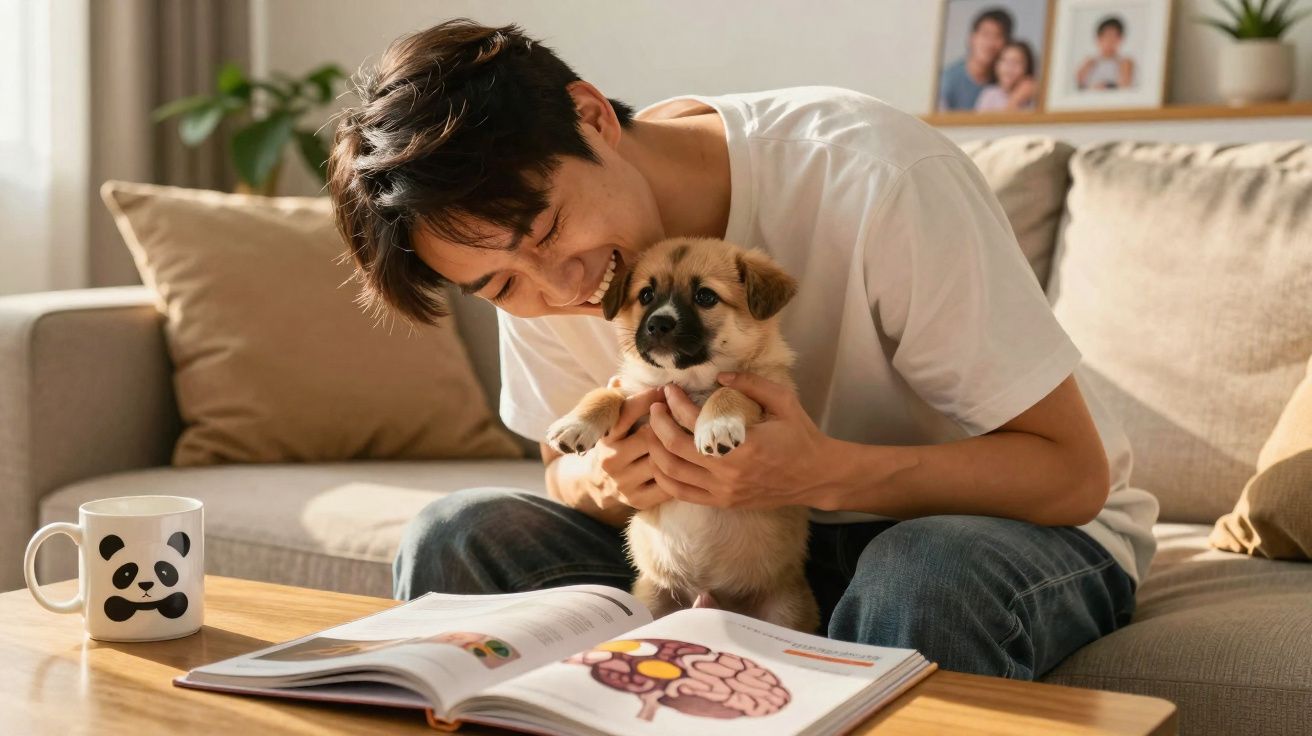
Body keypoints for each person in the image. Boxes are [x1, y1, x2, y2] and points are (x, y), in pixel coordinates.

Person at [327, 19, 1158, 680]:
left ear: (592, 118)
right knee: (454, 534)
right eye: (501, 286)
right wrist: (609, 479)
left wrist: (820, 470)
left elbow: (1071, 475)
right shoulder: (534, 267)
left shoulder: (876, 177)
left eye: (545, 230)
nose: (560, 288)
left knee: (915, 575)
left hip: (988, 532)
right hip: (729, 548)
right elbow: (560, 466)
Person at [938, 8, 1012, 111]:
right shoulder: (947, 80)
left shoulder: (1006, 79)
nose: (990, 43)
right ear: (971, 38)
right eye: (985, 34)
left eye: (998, 36)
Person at [976, 40, 1037, 111]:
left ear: (1027, 68)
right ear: (996, 65)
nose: (1009, 67)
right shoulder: (989, 95)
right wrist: (1016, 99)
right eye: (1004, 60)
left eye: (1016, 62)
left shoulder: (1032, 96)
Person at [1077, 16, 1135, 90]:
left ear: (1120, 39)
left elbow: (1125, 86)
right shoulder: (1089, 62)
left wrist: (1106, 86)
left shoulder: (1125, 62)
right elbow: (1077, 85)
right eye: (1107, 36)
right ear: (1099, 39)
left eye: (1115, 37)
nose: (1110, 41)